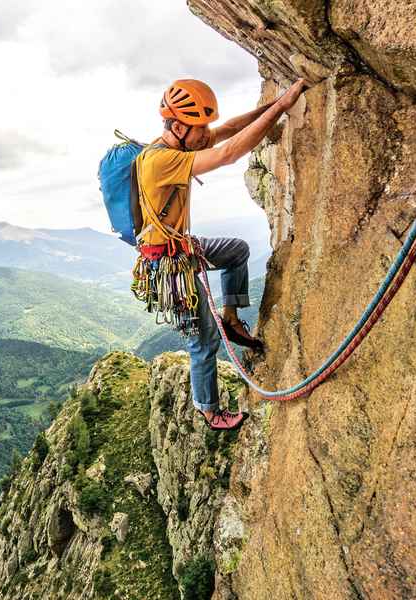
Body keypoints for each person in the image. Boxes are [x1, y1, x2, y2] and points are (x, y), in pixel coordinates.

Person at [135, 78, 306, 430]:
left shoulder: (181, 144)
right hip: (168, 264)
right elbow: (228, 153)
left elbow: (228, 130)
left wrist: (271, 105)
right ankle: (209, 410)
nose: (206, 134)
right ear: (179, 127)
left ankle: (230, 318)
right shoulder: (160, 161)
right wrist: (282, 108)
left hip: (181, 248)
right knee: (203, 340)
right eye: (200, 129)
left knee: (236, 251)